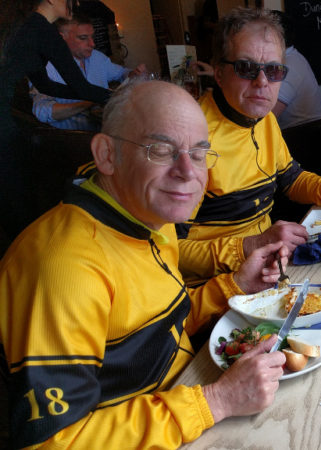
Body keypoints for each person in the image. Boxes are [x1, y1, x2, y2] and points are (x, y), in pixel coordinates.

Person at [0, 79, 288, 448]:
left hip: (187, 395)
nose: (188, 172)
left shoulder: (149, 215)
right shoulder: (62, 268)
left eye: (198, 153)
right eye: (161, 150)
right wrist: (215, 402)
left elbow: (158, 328)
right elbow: (53, 441)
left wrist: (235, 285)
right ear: (107, 154)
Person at [177, 7, 321, 282]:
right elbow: (168, 251)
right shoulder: (191, 141)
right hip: (214, 285)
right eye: (246, 68)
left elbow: (291, 180)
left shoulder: (264, 118)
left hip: (270, 269)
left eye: (274, 70)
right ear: (219, 73)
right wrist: (250, 246)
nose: (262, 82)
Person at [1, 0, 111, 238]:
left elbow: (47, 86)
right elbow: (81, 87)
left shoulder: (27, 26)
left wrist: (106, 96)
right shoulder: (41, 28)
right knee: (17, 198)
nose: (76, 2)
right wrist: (124, 96)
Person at [31, 14, 147, 131]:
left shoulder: (97, 57)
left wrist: (132, 74)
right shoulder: (45, 68)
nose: (92, 44)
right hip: (73, 138)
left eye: (92, 37)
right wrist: (89, 102)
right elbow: (42, 112)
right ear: (61, 38)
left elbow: (121, 73)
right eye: (83, 38)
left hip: (105, 131)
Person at [270, 10, 321, 129]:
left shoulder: (288, 67)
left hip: (301, 137)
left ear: (275, 38)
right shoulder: (291, 56)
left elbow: (265, 119)